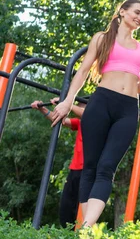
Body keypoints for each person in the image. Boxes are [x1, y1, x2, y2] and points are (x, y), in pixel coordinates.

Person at [51, 0, 140, 227]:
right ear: (122, 12)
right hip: (101, 102)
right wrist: (67, 101)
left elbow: (137, 85)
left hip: (127, 109)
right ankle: (87, 229)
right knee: (91, 167)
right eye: (137, 12)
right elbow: (84, 71)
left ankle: (86, 227)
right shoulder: (102, 39)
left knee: (107, 168)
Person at [32, 97, 85, 228]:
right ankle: (68, 234)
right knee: (66, 209)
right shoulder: (80, 124)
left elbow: (89, 113)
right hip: (75, 171)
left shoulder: (98, 121)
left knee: (83, 209)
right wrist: (42, 109)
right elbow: (61, 120)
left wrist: (67, 104)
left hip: (88, 171)